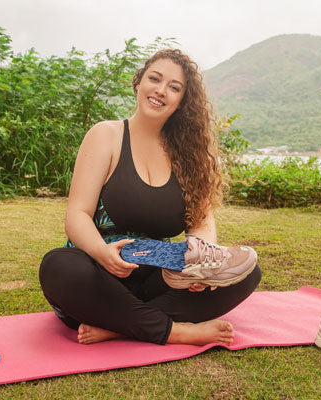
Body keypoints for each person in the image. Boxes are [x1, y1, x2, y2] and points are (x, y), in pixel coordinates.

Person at [39, 49, 262, 346]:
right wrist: (101, 253)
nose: (161, 90)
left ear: (182, 101)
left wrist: (200, 266)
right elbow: (77, 215)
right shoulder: (106, 135)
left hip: (157, 281)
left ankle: (121, 327)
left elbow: (201, 224)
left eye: (174, 87)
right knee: (57, 266)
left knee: (246, 273)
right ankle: (175, 331)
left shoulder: (190, 156)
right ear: (139, 83)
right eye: (154, 79)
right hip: (96, 276)